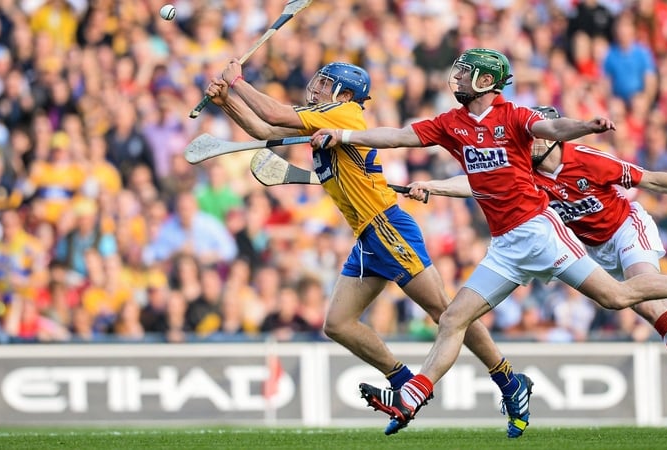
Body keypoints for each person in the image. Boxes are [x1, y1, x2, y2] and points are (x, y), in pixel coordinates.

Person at [310, 48, 667, 435]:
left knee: (617, 298)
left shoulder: (515, 116)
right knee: (452, 319)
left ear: (486, 82)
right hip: (504, 246)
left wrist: (587, 127)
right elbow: (401, 138)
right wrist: (346, 136)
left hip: (541, 233)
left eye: (466, 73)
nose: (456, 78)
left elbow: (555, 129)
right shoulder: (452, 124)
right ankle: (412, 397)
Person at [203, 59, 533, 438]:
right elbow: (263, 128)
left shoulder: (345, 113)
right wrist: (227, 100)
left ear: (345, 95)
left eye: (326, 86)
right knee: (339, 324)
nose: (317, 90)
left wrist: (239, 81)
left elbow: (272, 113)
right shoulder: (322, 116)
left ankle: (509, 381)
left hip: (388, 226)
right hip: (367, 235)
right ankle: (403, 380)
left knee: (446, 313)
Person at [402, 105, 667, 433]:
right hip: (596, 248)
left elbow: (652, 179)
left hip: (626, 228)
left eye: (537, 135)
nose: (530, 141)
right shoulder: (524, 167)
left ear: (556, 136)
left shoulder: (587, 160)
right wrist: (433, 187)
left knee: (649, 298)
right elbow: (475, 184)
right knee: (653, 309)